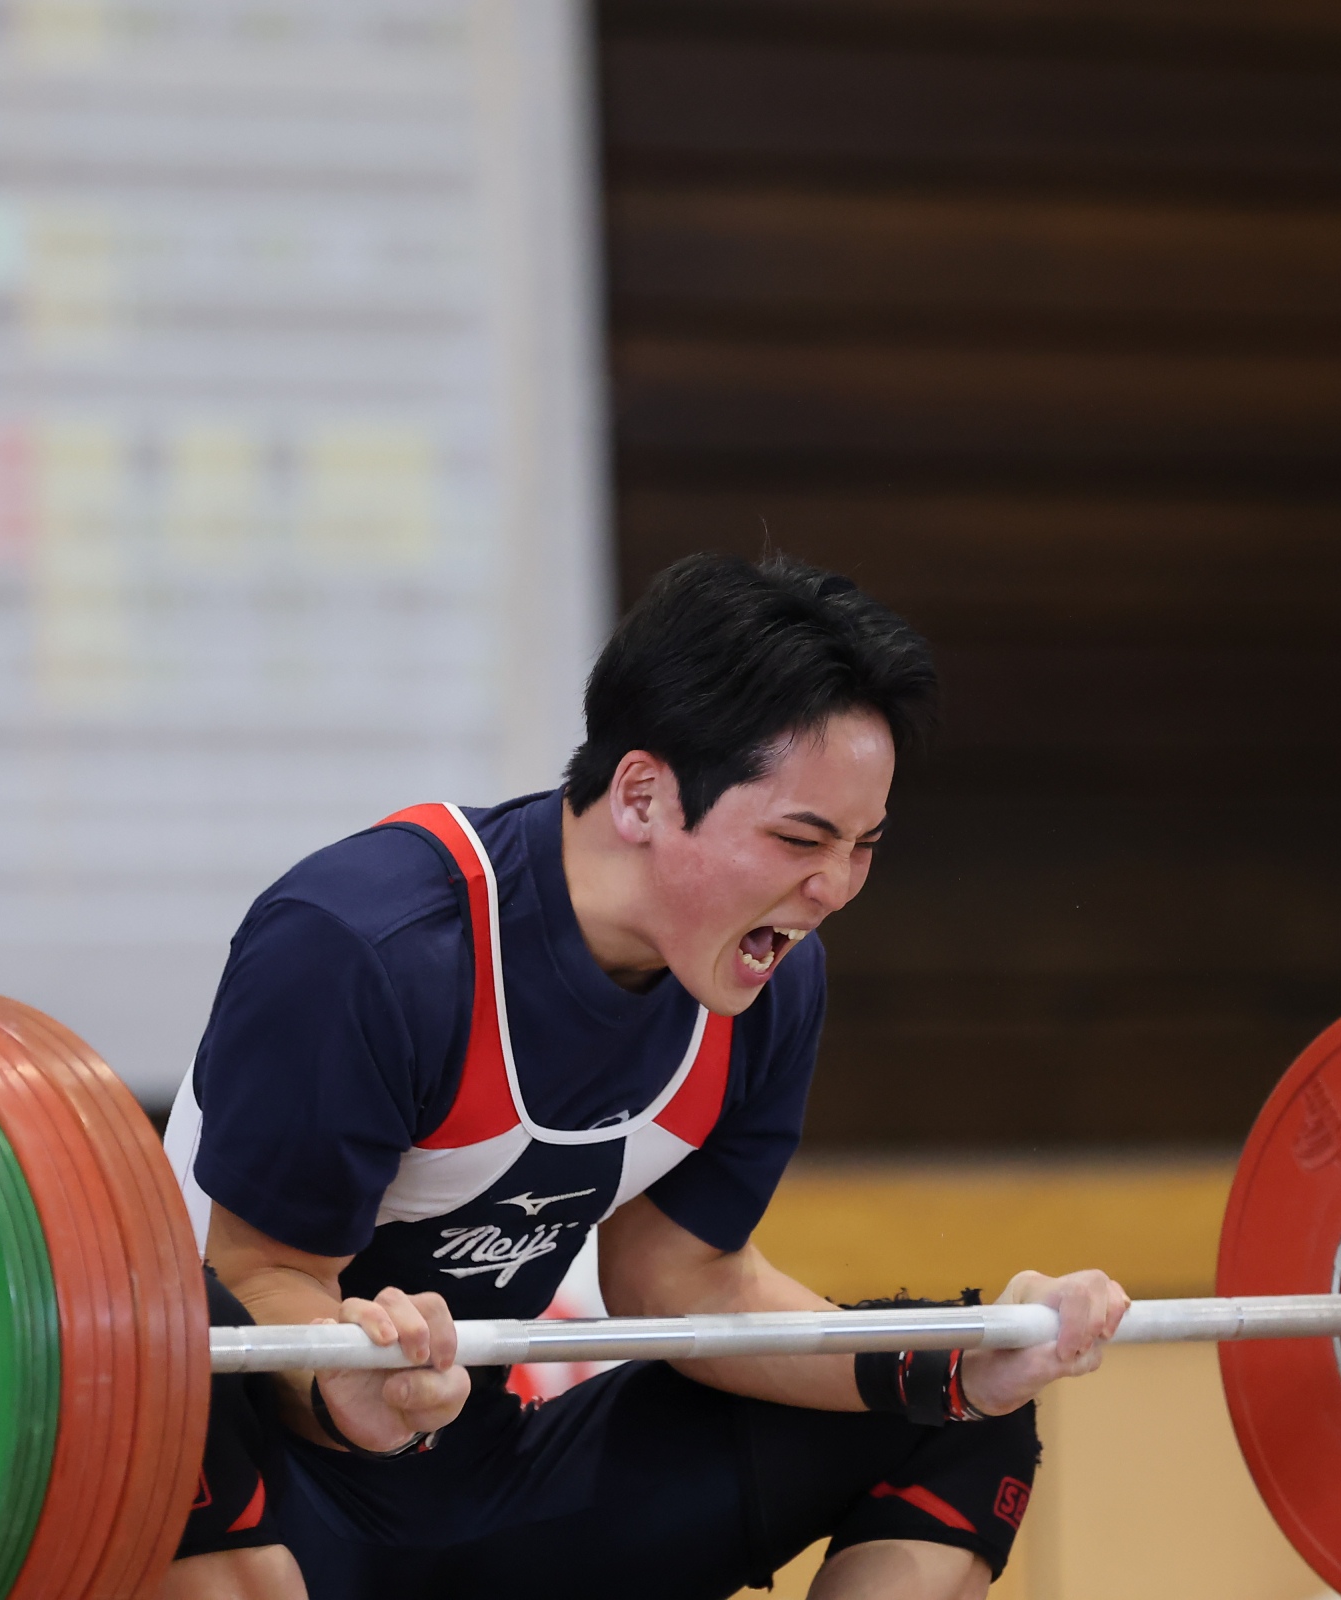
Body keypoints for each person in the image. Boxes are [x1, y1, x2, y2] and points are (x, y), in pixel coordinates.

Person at [159, 554, 1130, 1600]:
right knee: (172, 1363)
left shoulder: (769, 984)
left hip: (473, 1479)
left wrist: (957, 1361)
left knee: (958, 1408)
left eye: (863, 846)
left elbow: (684, 1283)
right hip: (259, 1478)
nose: (835, 888)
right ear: (642, 795)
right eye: (801, 838)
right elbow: (263, 1279)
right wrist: (345, 1384)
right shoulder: (367, 948)